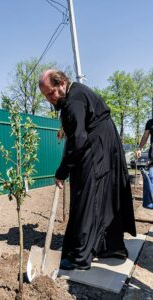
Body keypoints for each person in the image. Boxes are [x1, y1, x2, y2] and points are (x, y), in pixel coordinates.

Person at [39, 69, 136, 270]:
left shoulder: (73, 100)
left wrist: (62, 171)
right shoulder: (76, 94)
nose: (51, 98)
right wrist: (65, 126)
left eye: (51, 93)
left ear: (62, 83)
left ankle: (80, 257)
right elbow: (79, 122)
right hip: (105, 143)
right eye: (47, 96)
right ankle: (110, 246)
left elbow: (78, 139)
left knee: (86, 196)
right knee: (103, 196)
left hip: (96, 147)